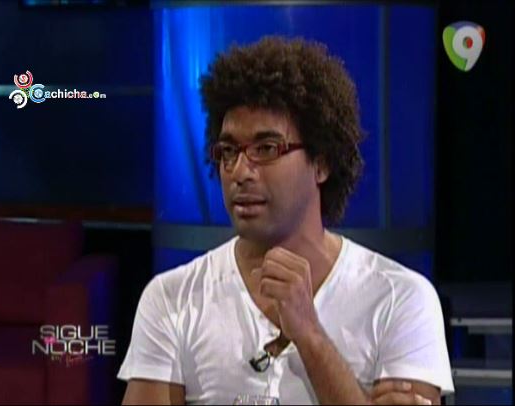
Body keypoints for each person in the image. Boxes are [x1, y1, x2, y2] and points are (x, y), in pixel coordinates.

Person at [118, 36, 454, 405]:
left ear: (321, 163)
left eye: (266, 149)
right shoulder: (171, 298)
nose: (239, 172)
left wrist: (310, 335)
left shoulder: (400, 299)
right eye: (229, 151)